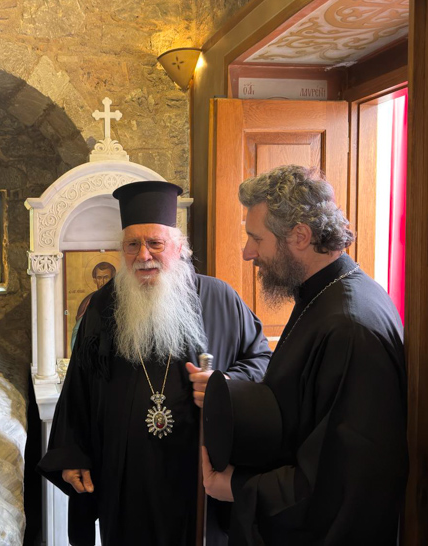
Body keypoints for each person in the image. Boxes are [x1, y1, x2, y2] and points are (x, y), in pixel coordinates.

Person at [38, 181, 272, 546]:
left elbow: (261, 361)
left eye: (155, 243)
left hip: (199, 478)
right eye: (132, 244)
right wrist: (73, 454)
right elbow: (79, 388)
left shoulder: (219, 298)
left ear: (179, 247)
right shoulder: (102, 307)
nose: (143, 255)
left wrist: (225, 385)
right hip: (125, 480)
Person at [201, 165, 408, 545]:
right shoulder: (322, 297)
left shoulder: (349, 327)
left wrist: (234, 486)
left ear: (299, 236)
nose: (247, 252)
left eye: (256, 238)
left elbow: (339, 481)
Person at [70, 262, 117, 352]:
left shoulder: (120, 300)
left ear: (113, 278)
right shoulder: (88, 301)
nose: (102, 282)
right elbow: (77, 331)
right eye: (99, 278)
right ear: (95, 280)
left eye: (106, 277)